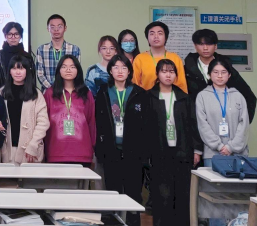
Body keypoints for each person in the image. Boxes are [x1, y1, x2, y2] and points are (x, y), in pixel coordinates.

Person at [145, 59, 201, 226]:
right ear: (157, 74)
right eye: (164, 71)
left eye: (171, 72)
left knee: (182, 195)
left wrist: (197, 150)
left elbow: (193, 125)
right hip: (158, 154)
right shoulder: (149, 97)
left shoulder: (184, 98)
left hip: (182, 153)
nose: (168, 75)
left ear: (176, 75)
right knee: (162, 196)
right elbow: (144, 127)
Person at [95, 53, 145, 226]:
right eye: (116, 67)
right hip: (111, 151)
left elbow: (146, 124)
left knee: (133, 194)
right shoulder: (103, 92)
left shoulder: (139, 93)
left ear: (129, 71)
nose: (120, 71)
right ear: (110, 71)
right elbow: (98, 122)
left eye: (124, 67)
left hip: (134, 152)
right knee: (113, 192)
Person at [185, 29, 255, 122]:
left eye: (209, 44)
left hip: (225, 121)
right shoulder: (187, 70)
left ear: (215, 46)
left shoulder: (227, 68)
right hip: (197, 123)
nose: (205, 48)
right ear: (195, 46)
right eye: (201, 44)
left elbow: (248, 96)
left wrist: (242, 123)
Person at [196, 56, 250, 167]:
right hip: (212, 154)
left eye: (223, 72)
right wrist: (219, 146)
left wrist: (231, 147)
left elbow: (244, 125)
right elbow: (202, 125)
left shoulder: (238, 96)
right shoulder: (202, 96)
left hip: (238, 154)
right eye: (215, 72)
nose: (219, 76)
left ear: (229, 75)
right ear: (209, 74)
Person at [43, 55, 95, 165]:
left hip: (82, 153)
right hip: (55, 153)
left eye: (72, 67)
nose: (68, 70)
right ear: (59, 70)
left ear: (78, 70)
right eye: (64, 67)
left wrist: (94, 148)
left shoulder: (86, 93)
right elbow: (43, 123)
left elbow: (92, 123)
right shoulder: (50, 94)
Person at [0, 53, 49, 165]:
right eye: (14, 68)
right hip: (8, 150)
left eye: (21, 68)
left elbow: (43, 123)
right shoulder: (2, 93)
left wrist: (33, 145)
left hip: (30, 150)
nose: (17, 72)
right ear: (9, 71)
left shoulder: (36, 94)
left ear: (27, 71)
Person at [133, 22, 187, 93]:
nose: (156, 36)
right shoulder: (139, 59)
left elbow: (182, 85)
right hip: (146, 98)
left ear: (166, 37)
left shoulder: (175, 58)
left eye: (160, 33)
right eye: (152, 34)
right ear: (147, 38)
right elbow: (135, 85)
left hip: (171, 98)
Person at [36, 14, 81, 92]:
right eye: (52, 27)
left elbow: (76, 72)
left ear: (65, 28)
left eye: (59, 26)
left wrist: (65, 90)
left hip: (69, 92)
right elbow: (40, 74)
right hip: (48, 93)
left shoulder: (74, 49)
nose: (56, 30)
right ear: (48, 29)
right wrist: (52, 90)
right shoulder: (41, 49)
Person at [0, 22, 27, 91]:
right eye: (10, 34)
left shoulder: (27, 56)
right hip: (2, 93)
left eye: (16, 34)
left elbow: (31, 79)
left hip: (24, 93)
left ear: (20, 36)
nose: (13, 37)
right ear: (5, 36)